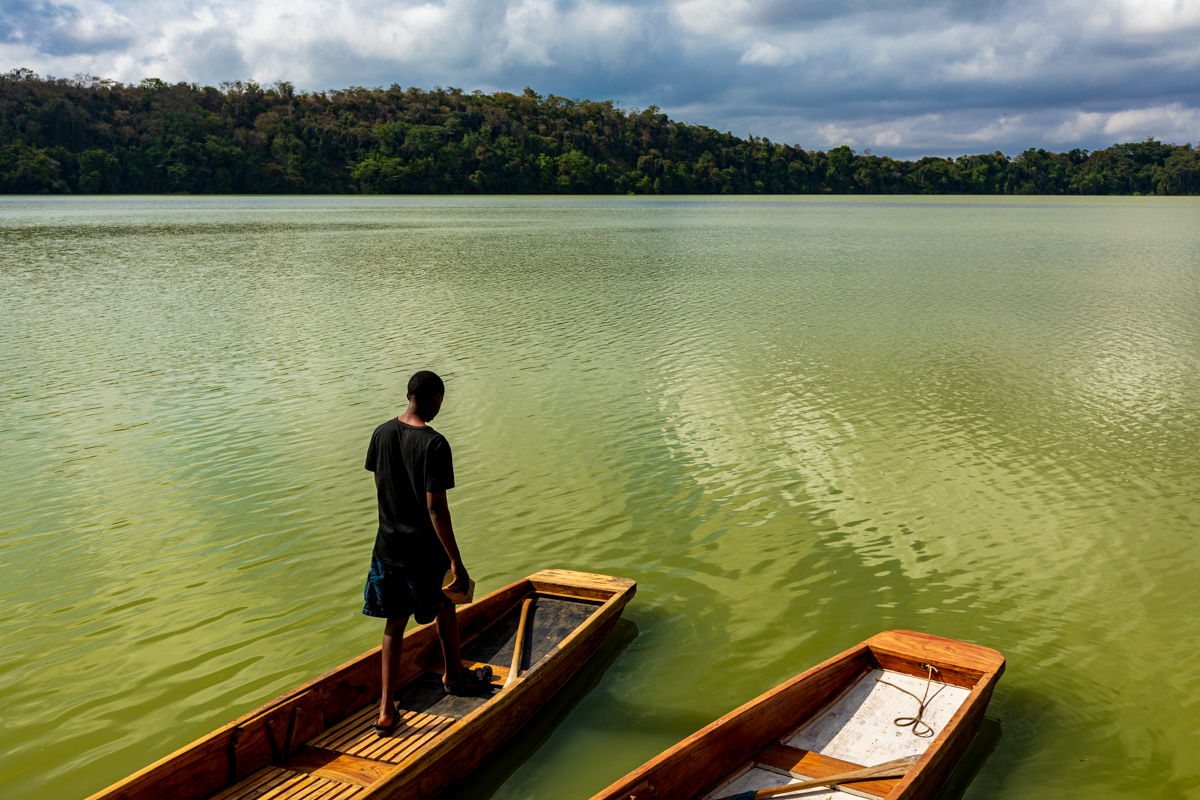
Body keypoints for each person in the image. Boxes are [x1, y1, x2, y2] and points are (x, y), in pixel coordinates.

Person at [362, 370, 491, 737]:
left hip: (386, 548)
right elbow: (436, 509)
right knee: (446, 603)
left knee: (394, 621)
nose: (439, 408)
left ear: (409, 395)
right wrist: (455, 560)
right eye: (440, 401)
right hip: (422, 550)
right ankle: (454, 675)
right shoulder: (434, 444)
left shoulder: (381, 432)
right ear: (434, 397)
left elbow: (380, 484)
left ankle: (386, 710)